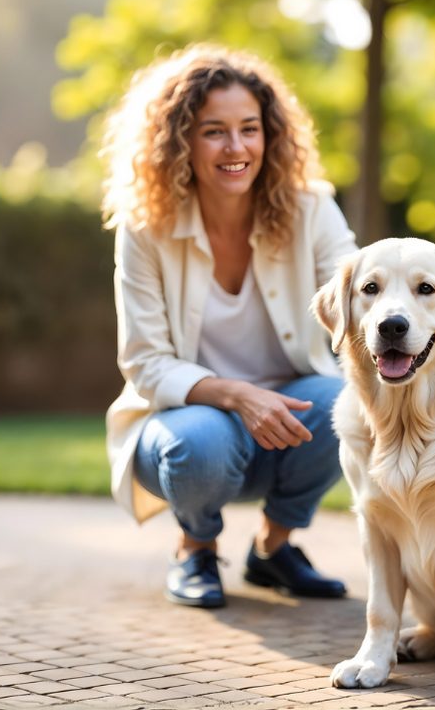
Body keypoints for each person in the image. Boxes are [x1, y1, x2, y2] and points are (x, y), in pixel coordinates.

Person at [101, 44, 356, 608]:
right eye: (214, 131)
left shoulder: (311, 209)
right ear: (180, 142)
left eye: (250, 129)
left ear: (270, 136)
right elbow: (144, 362)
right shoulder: (145, 229)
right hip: (184, 429)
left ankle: (274, 549)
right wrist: (237, 396)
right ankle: (194, 549)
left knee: (346, 402)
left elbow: (357, 292)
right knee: (202, 441)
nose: (236, 147)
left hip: (287, 420)